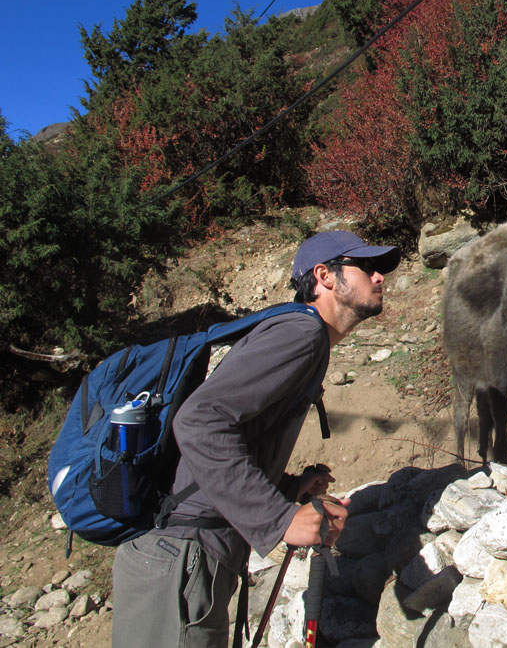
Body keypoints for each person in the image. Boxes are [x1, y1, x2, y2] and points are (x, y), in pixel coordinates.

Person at [111, 230, 401, 648]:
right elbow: (199, 421)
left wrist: (287, 488)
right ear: (325, 276)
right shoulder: (300, 335)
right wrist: (277, 519)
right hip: (180, 557)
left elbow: (227, 435)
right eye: (366, 267)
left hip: (190, 556)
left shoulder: (303, 338)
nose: (380, 278)